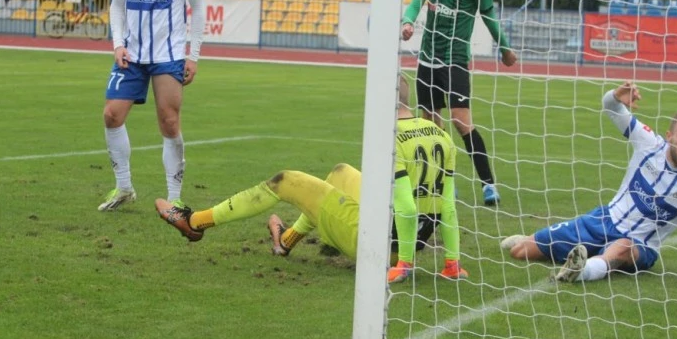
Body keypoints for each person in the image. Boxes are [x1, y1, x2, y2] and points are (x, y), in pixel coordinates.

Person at [154, 77, 469, 283]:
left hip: (376, 243)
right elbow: (449, 207)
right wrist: (452, 263)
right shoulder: (441, 134)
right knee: (340, 173)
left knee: (284, 180)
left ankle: (195, 222)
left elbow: (405, 207)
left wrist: (403, 264)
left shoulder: (390, 137)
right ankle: (286, 241)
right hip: (409, 238)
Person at [501, 82, 677, 287]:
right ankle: (535, 240)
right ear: (669, 135)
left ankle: (581, 271)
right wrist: (615, 95)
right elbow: (611, 108)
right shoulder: (649, 143)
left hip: (640, 246)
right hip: (603, 219)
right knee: (520, 252)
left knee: (622, 247)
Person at [401, 0, 518, 207]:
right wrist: (407, 21)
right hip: (428, 59)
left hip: (455, 60)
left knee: (461, 121)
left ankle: (488, 184)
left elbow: (489, 16)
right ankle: (440, 184)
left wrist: (505, 48)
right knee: (430, 124)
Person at [99, 0, 207, 211]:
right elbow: (117, 4)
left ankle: (174, 198)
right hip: (131, 53)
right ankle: (123, 188)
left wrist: (193, 55)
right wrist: (117, 44)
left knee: (169, 122)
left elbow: (198, 9)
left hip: (169, 53)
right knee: (111, 115)